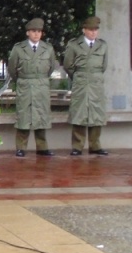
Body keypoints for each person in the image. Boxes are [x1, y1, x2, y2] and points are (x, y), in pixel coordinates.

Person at [7, 18, 58, 157]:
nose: (36, 34)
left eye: (39, 32)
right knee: (24, 116)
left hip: (41, 85)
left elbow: (51, 67)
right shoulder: (19, 48)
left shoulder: (48, 48)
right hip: (25, 84)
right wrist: (23, 80)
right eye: (33, 31)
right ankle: (20, 147)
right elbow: (12, 68)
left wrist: (40, 78)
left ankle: (42, 147)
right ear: (28, 33)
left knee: (41, 116)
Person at [64, 16, 109, 156]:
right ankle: (77, 146)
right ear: (84, 30)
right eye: (90, 29)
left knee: (97, 113)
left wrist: (94, 76)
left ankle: (95, 145)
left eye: (96, 29)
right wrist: (79, 77)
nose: (93, 32)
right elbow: (68, 65)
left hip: (96, 82)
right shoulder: (74, 45)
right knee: (79, 113)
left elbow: (104, 66)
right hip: (81, 81)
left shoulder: (103, 45)